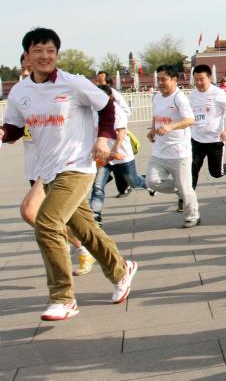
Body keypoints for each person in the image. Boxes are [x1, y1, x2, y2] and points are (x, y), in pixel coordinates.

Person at [1, 27, 137, 321]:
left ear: (57, 55)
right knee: (85, 229)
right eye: (38, 51)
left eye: (51, 51)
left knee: (47, 224)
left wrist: (103, 139)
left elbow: (107, 107)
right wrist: (3, 133)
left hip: (78, 166)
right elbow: (13, 128)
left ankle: (63, 297)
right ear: (26, 57)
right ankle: (120, 268)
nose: (45, 56)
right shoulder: (20, 92)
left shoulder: (73, 84)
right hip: (48, 170)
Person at [16, 52, 94, 276]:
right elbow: (12, 129)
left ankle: (75, 256)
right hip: (36, 167)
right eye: (23, 70)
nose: (25, 74)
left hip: (59, 166)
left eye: (28, 70)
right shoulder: (22, 97)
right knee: (82, 224)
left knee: (30, 211)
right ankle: (114, 265)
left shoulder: (60, 92)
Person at [146, 64, 201, 227]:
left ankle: (193, 216)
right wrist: (153, 129)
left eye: (164, 79)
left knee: (186, 188)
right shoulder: (156, 96)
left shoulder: (179, 98)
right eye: (159, 80)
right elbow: (156, 116)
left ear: (174, 80)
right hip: (159, 151)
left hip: (179, 152)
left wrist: (170, 127)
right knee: (151, 182)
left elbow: (190, 119)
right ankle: (181, 190)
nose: (160, 83)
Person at [89, 85, 153, 225]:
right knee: (98, 186)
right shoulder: (92, 111)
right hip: (103, 156)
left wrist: (115, 151)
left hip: (121, 154)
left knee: (133, 181)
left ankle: (150, 182)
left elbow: (121, 134)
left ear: (110, 97)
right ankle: (95, 215)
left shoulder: (117, 111)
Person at [189, 65, 226, 191]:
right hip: (196, 139)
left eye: (202, 79)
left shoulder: (218, 93)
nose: (198, 82)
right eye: (196, 79)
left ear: (209, 77)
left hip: (215, 140)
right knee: (192, 169)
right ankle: (187, 199)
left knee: (216, 173)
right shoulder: (193, 94)